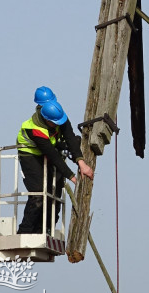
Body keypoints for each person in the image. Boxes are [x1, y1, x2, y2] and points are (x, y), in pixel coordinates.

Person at [16, 89, 93, 235]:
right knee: (38, 193)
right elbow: (52, 155)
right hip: (30, 154)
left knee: (56, 193)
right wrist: (72, 177)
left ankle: (46, 230)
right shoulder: (35, 129)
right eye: (54, 123)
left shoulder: (58, 115)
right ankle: (25, 232)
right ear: (47, 119)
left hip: (49, 148)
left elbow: (69, 137)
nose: (58, 124)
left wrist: (81, 162)